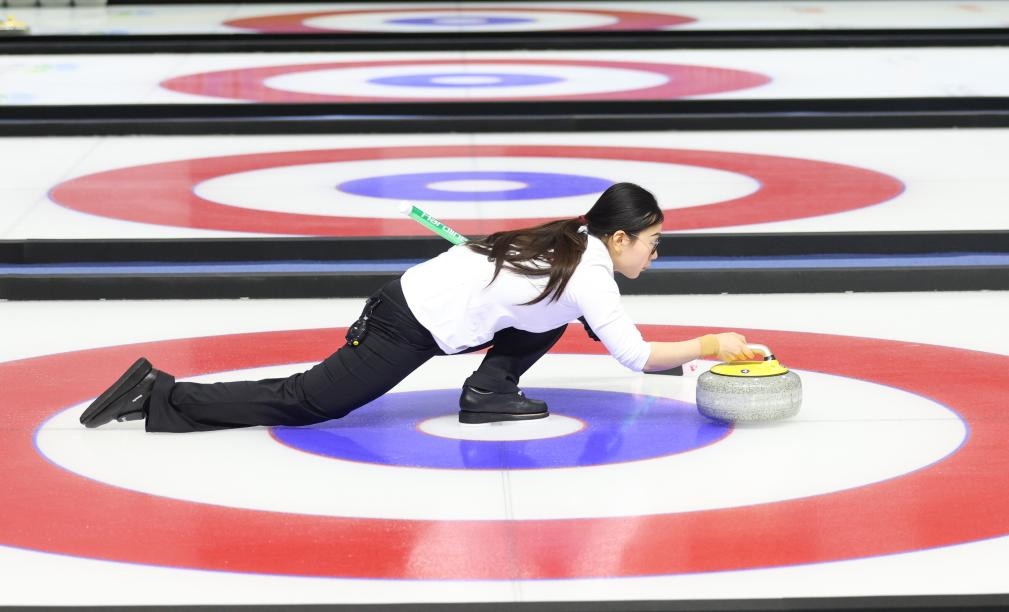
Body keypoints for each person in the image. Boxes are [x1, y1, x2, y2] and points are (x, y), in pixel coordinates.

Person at [80, 182, 754, 432]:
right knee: (311, 402)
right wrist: (709, 346)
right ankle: (162, 395)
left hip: (423, 305)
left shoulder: (572, 245)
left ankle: (489, 391)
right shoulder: (590, 275)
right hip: (405, 322)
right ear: (621, 237)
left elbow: (604, 332)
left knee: (553, 311)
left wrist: (698, 362)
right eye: (654, 242)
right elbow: (632, 354)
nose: (656, 254)